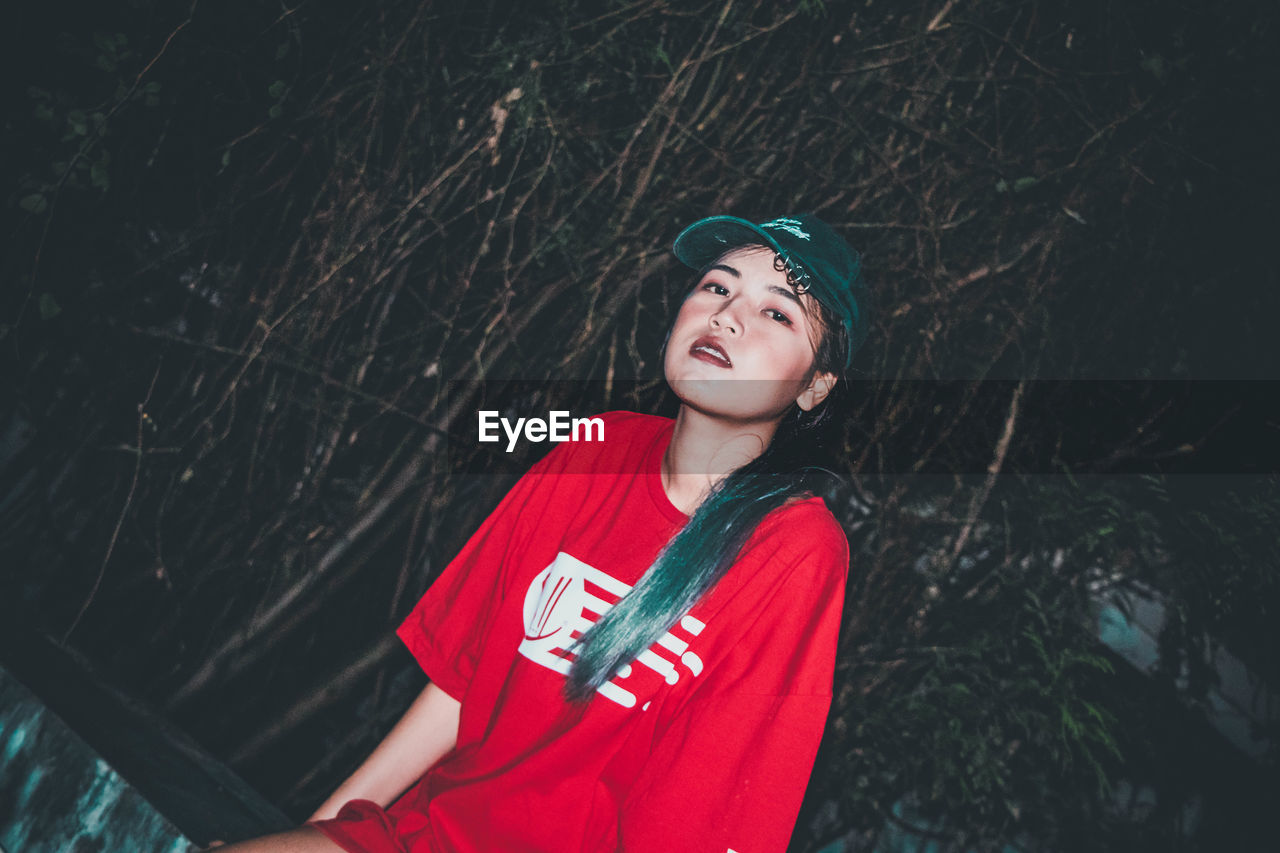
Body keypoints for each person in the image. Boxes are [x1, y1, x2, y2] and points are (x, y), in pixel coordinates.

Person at [211, 213, 871, 852]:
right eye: (716, 285)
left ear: (815, 386)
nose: (726, 314)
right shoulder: (594, 445)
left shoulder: (794, 552)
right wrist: (316, 830)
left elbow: (707, 814)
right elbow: (462, 679)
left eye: (776, 312)